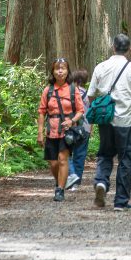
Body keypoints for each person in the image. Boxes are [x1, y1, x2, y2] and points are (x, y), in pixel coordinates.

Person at [88, 33, 131, 211]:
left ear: (113, 47)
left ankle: (101, 182)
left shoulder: (101, 67)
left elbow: (91, 95)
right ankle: (121, 202)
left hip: (105, 121)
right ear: (129, 49)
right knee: (125, 159)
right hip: (125, 121)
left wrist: (94, 120)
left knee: (105, 155)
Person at [37, 57, 84, 202]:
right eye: (57, 68)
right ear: (53, 71)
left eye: (63, 68)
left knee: (63, 159)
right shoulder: (47, 90)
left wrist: (72, 121)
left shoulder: (73, 89)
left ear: (67, 71)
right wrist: (39, 133)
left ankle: (60, 190)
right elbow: (41, 112)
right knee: (53, 162)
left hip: (67, 132)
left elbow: (80, 110)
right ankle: (59, 181)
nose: (60, 71)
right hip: (51, 130)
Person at [65, 68, 91, 190]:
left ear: (74, 80)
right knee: (80, 155)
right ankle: (76, 182)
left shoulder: (69, 93)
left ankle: (71, 175)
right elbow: (91, 113)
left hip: (71, 127)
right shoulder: (88, 95)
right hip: (85, 129)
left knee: (66, 153)